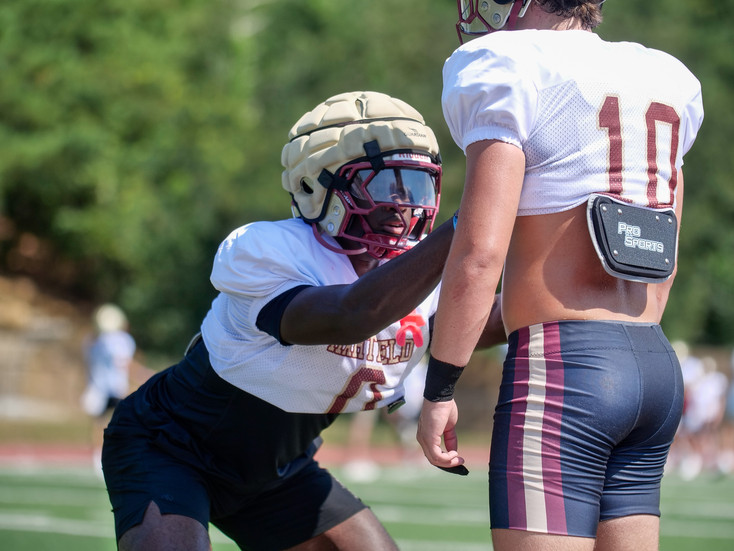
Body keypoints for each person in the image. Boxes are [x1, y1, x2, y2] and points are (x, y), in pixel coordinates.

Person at [101, 90, 502, 551]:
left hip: (280, 470)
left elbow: (489, 319)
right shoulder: (264, 248)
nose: (402, 202)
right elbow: (352, 314)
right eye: (383, 184)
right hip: (172, 448)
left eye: (414, 185)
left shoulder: (414, 271)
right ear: (316, 187)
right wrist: (473, 218)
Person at [416, 2, 704, 550]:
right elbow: (665, 248)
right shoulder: (665, 75)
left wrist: (440, 387)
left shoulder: (509, 62)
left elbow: (479, 255)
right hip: (654, 363)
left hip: (565, 369)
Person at [80, 303, 140, 474]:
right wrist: (142, 375)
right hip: (111, 387)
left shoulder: (92, 340)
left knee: (102, 424)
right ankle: (107, 458)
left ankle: (99, 458)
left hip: (103, 387)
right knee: (120, 423)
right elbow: (124, 364)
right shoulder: (119, 340)